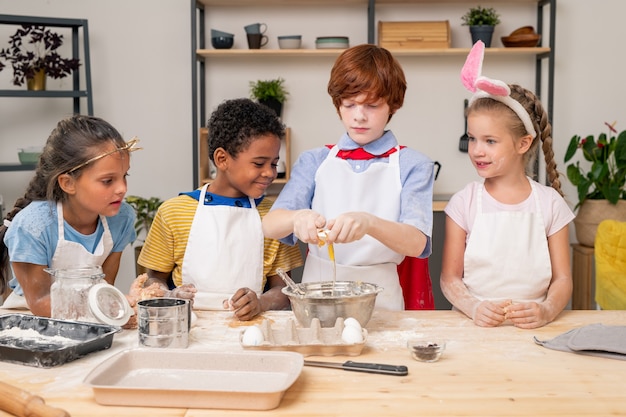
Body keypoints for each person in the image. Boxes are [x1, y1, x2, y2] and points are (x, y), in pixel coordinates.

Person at [261, 44, 435, 311]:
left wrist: (369, 223)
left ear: (393, 105)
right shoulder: (315, 161)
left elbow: (417, 242)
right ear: (337, 104)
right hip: (315, 296)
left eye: (372, 105)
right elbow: (270, 225)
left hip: (382, 300)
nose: (359, 116)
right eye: (349, 104)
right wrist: (297, 218)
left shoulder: (413, 165)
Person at [440, 41, 574, 329]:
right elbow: (449, 279)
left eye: (490, 141)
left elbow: (563, 279)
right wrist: (473, 307)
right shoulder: (464, 202)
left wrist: (547, 310)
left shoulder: (550, 204)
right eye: (472, 138)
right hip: (473, 324)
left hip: (534, 327)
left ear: (523, 143)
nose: (476, 150)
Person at [137, 98, 303, 321]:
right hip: (189, 329)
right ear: (222, 159)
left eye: (273, 163)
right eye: (259, 163)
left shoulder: (275, 217)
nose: (269, 173)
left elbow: (285, 289)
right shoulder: (174, 212)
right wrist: (171, 295)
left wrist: (261, 302)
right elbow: (152, 280)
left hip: (250, 331)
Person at [0, 115, 139, 316]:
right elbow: (40, 302)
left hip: (90, 318)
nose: (122, 189)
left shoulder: (121, 218)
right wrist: (105, 307)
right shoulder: (32, 227)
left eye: (124, 176)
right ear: (67, 183)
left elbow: (105, 286)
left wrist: (110, 306)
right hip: (32, 318)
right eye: (108, 181)